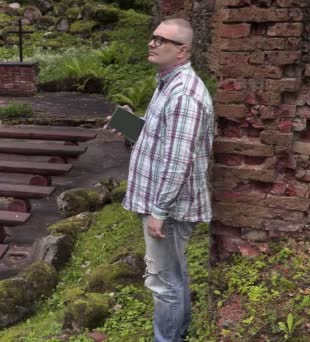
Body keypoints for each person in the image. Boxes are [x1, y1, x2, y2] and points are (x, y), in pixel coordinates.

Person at [113, 18, 214, 341]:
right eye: (153, 38)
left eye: (162, 40)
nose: (152, 43)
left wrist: (160, 211)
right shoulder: (167, 83)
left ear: (182, 52)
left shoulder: (184, 95)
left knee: (164, 282)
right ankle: (176, 334)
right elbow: (161, 138)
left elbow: (178, 160)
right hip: (164, 203)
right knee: (173, 276)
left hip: (169, 207)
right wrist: (129, 123)